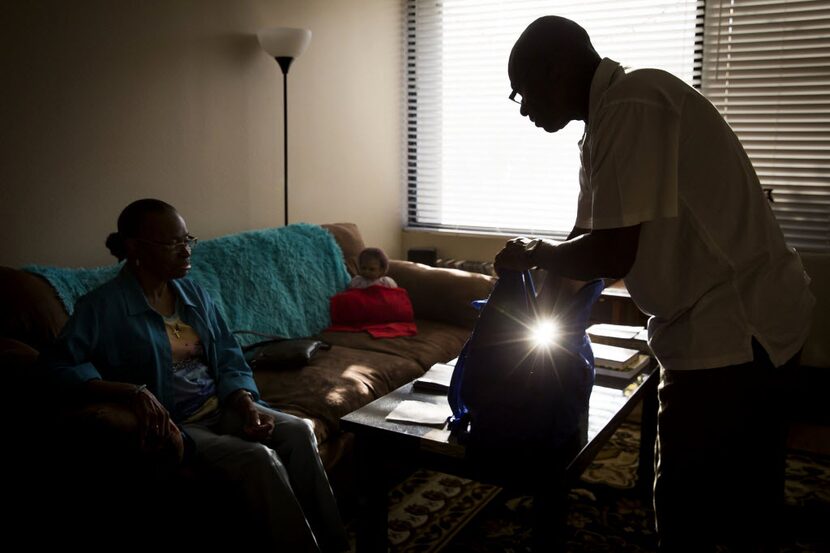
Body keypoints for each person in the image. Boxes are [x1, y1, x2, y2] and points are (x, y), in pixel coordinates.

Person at [494, 16, 815, 552]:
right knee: (734, 503)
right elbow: (585, 236)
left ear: (555, 68)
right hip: (728, 323)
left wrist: (536, 255)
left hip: (734, 330)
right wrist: (530, 317)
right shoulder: (602, 127)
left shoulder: (632, 103)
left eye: (521, 92)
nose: (523, 108)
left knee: (693, 513)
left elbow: (612, 252)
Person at [40, 198, 349, 552]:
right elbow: (56, 366)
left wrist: (245, 402)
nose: (186, 251)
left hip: (222, 406)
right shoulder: (102, 307)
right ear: (135, 248)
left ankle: (335, 543)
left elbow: (230, 355)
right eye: (173, 243)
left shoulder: (193, 295)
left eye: (188, 240)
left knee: (297, 430)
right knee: (260, 458)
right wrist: (129, 392)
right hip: (181, 426)